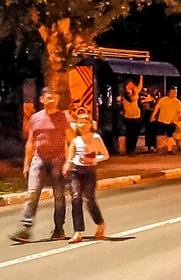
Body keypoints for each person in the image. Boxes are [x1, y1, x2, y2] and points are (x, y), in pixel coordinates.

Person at [11, 87, 73, 243]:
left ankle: (59, 229)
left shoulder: (64, 117)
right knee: (32, 194)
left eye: (54, 97)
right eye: (48, 97)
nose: (51, 100)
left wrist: (69, 162)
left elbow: (71, 141)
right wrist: (26, 164)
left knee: (59, 196)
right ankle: (25, 229)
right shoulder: (35, 118)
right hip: (39, 159)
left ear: (57, 99)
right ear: (42, 99)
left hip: (58, 159)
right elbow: (31, 142)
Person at [66, 108, 109, 243]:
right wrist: (68, 164)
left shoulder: (95, 138)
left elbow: (105, 155)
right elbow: (71, 156)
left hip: (89, 171)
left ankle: (100, 223)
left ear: (91, 124)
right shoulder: (76, 139)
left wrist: (94, 160)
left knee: (89, 199)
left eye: (85, 122)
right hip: (76, 171)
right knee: (76, 198)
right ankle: (78, 232)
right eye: (80, 122)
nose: (83, 125)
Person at [153, 86, 181, 154]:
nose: (174, 94)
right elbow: (157, 108)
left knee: (170, 136)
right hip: (161, 120)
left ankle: (169, 150)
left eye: (175, 92)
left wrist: (177, 120)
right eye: (172, 92)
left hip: (171, 122)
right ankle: (160, 148)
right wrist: (153, 116)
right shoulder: (163, 100)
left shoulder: (177, 102)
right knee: (160, 135)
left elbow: (179, 113)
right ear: (169, 93)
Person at [120, 77, 142, 155]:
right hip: (128, 116)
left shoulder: (134, 93)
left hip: (136, 115)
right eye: (129, 85)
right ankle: (129, 149)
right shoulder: (125, 94)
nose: (131, 86)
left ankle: (132, 149)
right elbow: (132, 98)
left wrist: (141, 77)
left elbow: (139, 87)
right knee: (129, 133)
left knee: (135, 134)